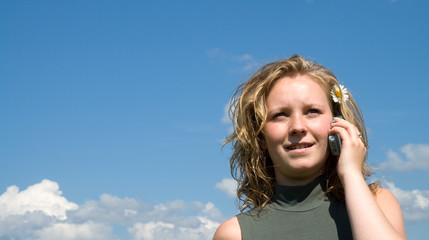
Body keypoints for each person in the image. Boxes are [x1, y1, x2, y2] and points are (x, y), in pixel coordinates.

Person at [213, 55, 406, 240]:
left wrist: (351, 174)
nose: (297, 126)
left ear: (337, 123)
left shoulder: (378, 203)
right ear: (261, 136)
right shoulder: (234, 234)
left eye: (312, 111)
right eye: (280, 115)